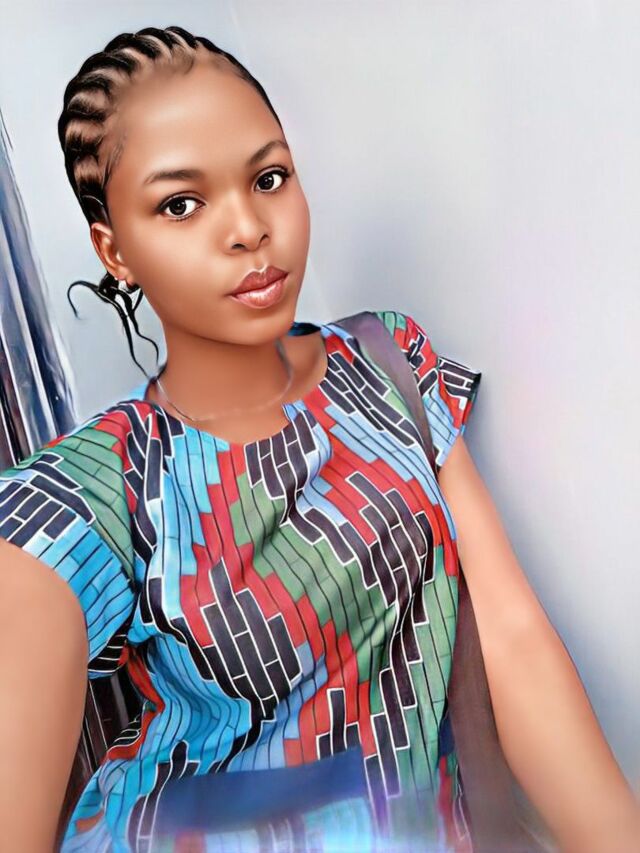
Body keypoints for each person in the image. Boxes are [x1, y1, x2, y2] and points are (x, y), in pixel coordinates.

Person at [0, 24, 638, 853]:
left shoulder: (390, 360)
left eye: (268, 178)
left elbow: (514, 640)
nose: (247, 227)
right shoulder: (87, 494)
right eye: (181, 203)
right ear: (114, 248)